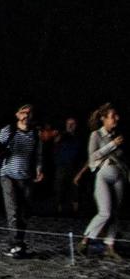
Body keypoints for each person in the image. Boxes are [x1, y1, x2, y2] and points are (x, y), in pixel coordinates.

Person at [0, 104, 43, 258]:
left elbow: (39, 154)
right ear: (17, 114)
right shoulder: (8, 130)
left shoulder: (35, 133)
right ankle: (16, 245)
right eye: (23, 112)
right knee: (12, 210)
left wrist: (39, 170)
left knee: (24, 213)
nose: (26, 115)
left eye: (29, 112)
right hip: (7, 174)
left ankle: (17, 242)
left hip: (26, 176)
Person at [78, 104, 126, 259]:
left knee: (116, 213)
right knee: (105, 212)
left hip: (118, 175)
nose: (116, 119)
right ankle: (85, 239)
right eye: (113, 116)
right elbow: (92, 157)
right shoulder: (96, 135)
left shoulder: (117, 135)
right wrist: (112, 145)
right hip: (103, 175)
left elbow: (121, 158)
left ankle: (109, 245)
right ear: (103, 118)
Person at [53, 117, 84, 216]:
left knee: (75, 190)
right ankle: (58, 211)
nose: (70, 126)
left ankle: (76, 212)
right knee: (59, 188)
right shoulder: (62, 136)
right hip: (62, 166)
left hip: (75, 167)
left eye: (73, 124)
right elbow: (55, 143)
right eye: (68, 124)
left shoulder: (79, 137)